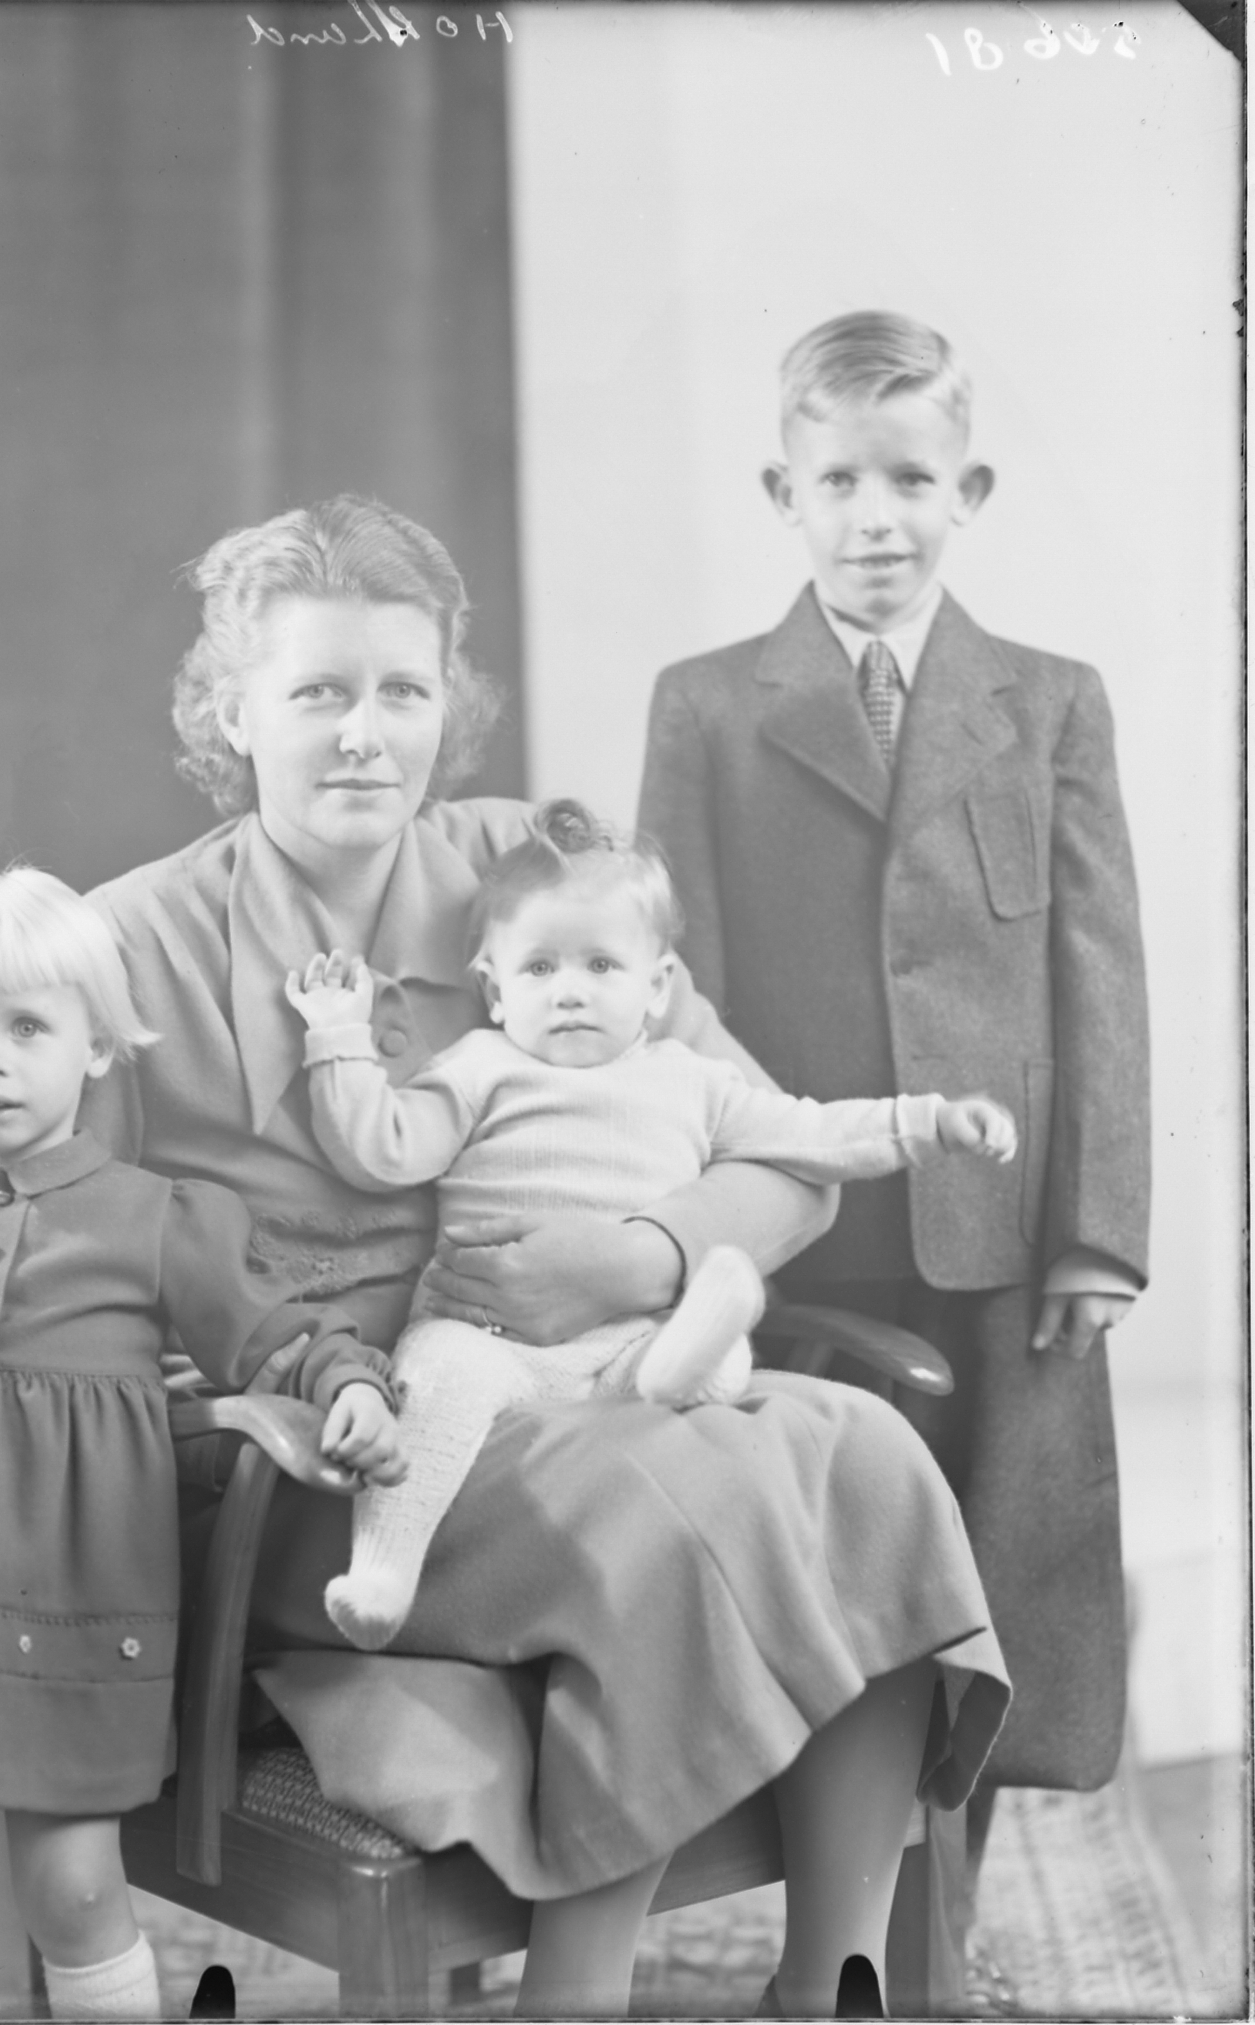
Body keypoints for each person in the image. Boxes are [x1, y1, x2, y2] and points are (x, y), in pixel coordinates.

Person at [84, 494, 1011, 2017]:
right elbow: (78, 1270)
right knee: (668, 1503)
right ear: (230, 712)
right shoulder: (131, 944)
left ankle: (832, 1982)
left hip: (599, 1372)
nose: (365, 734)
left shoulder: (534, 872)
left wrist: (639, 1257)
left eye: (403, 689)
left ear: (448, 707)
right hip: (337, 1465)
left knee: (863, 1451)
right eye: (316, 692)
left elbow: (770, 1145)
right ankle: (573, 1995)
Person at [638, 311, 1150, 1913]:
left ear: (966, 491)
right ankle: (832, 1913)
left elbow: (1099, 977)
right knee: (828, 1578)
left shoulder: (1047, 701)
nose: (875, 518)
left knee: (996, 1577)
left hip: (1000, 1234)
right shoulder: (706, 707)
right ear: (779, 494)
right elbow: (677, 994)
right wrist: (704, 1222)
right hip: (804, 1222)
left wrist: (1095, 1235)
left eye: (910, 480)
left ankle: (937, 1918)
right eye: (838, 481)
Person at [0, 869, 402, 2022]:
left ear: (100, 1046)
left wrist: (346, 1382)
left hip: (72, 1587)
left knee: (70, 1880)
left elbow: (269, 1335)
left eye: (29, 1028)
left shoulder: (157, 1216)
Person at [286, 796, 1017, 1652]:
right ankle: (382, 1570)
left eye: (601, 964)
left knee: (713, 1349)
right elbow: (382, 1148)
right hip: (493, 1338)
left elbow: (815, 1134)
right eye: (538, 968)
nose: (569, 990)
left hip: (635, 1341)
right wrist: (337, 1038)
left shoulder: (692, 1080)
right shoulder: (480, 1066)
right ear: (493, 989)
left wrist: (930, 1121)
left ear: (657, 985)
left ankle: (691, 1352)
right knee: (436, 1371)